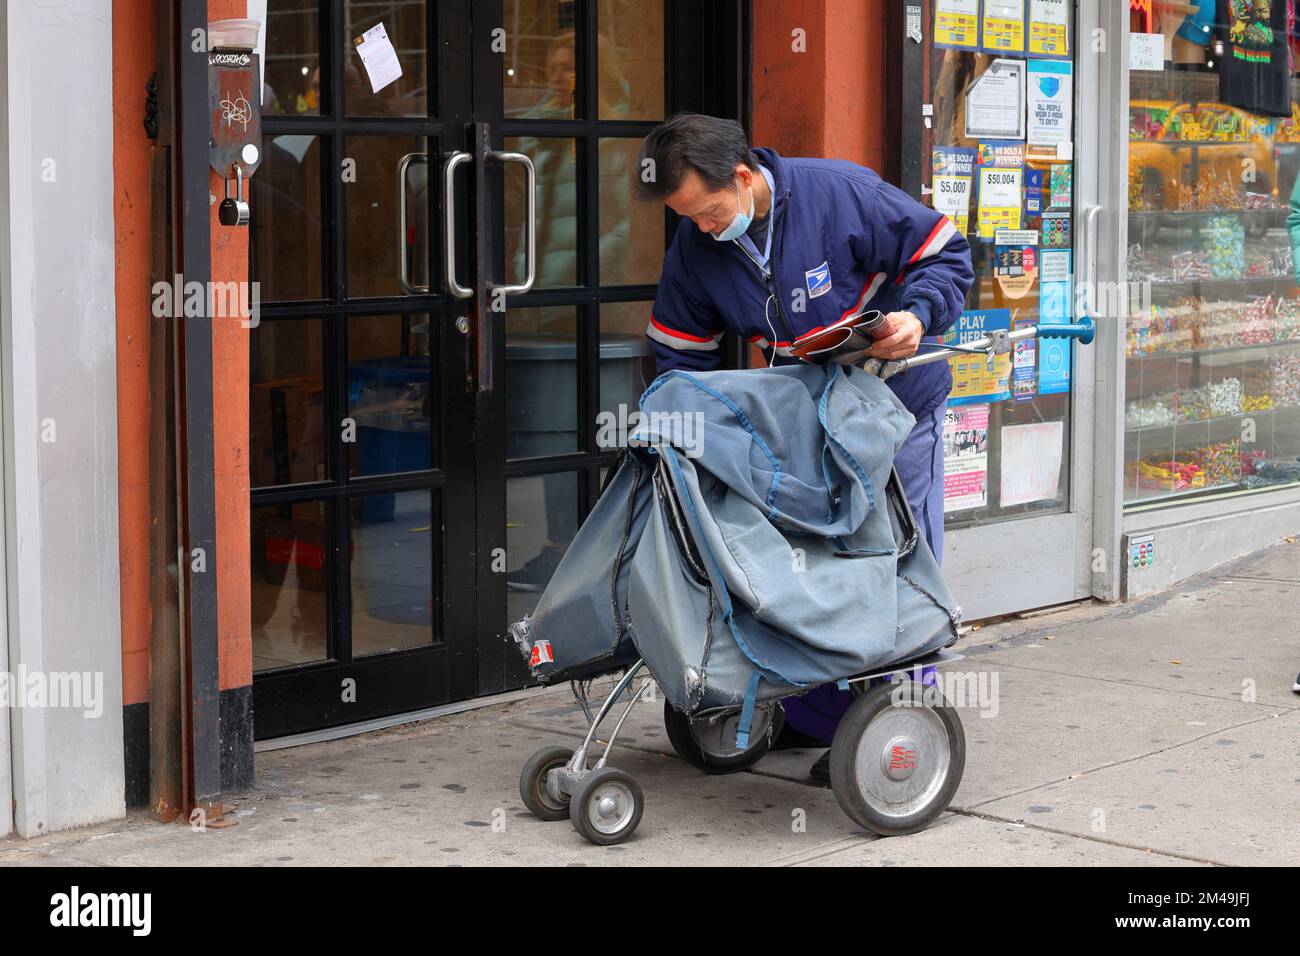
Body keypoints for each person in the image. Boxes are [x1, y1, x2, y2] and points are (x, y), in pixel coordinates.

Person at [635, 112, 974, 780]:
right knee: (815, 568)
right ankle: (816, 717)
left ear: (740, 175)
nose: (702, 228)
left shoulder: (836, 191)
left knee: (894, 558)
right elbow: (681, 354)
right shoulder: (697, 247)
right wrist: (697, 437)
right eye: (687, 219)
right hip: (806, 425)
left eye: (707, 212)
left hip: (893, 405)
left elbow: (944, 252)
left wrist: (919, 314)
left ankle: (896, 722)